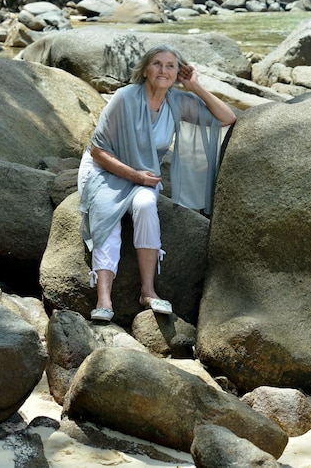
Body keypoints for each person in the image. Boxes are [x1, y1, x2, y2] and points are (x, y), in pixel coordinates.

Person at [77, 44, 236, 321]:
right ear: (145, 70)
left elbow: (227, 117)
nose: (163, 70)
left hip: (143, 175)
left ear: (179, 73)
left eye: (171, 66)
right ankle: (104, 298)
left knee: (147, 204)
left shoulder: (178, 102)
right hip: (105, 170)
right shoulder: (124, 98)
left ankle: (148, 291)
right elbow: (98, 152)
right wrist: (135, 176)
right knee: (106, 213)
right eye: (157, 64)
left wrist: (195, 86)